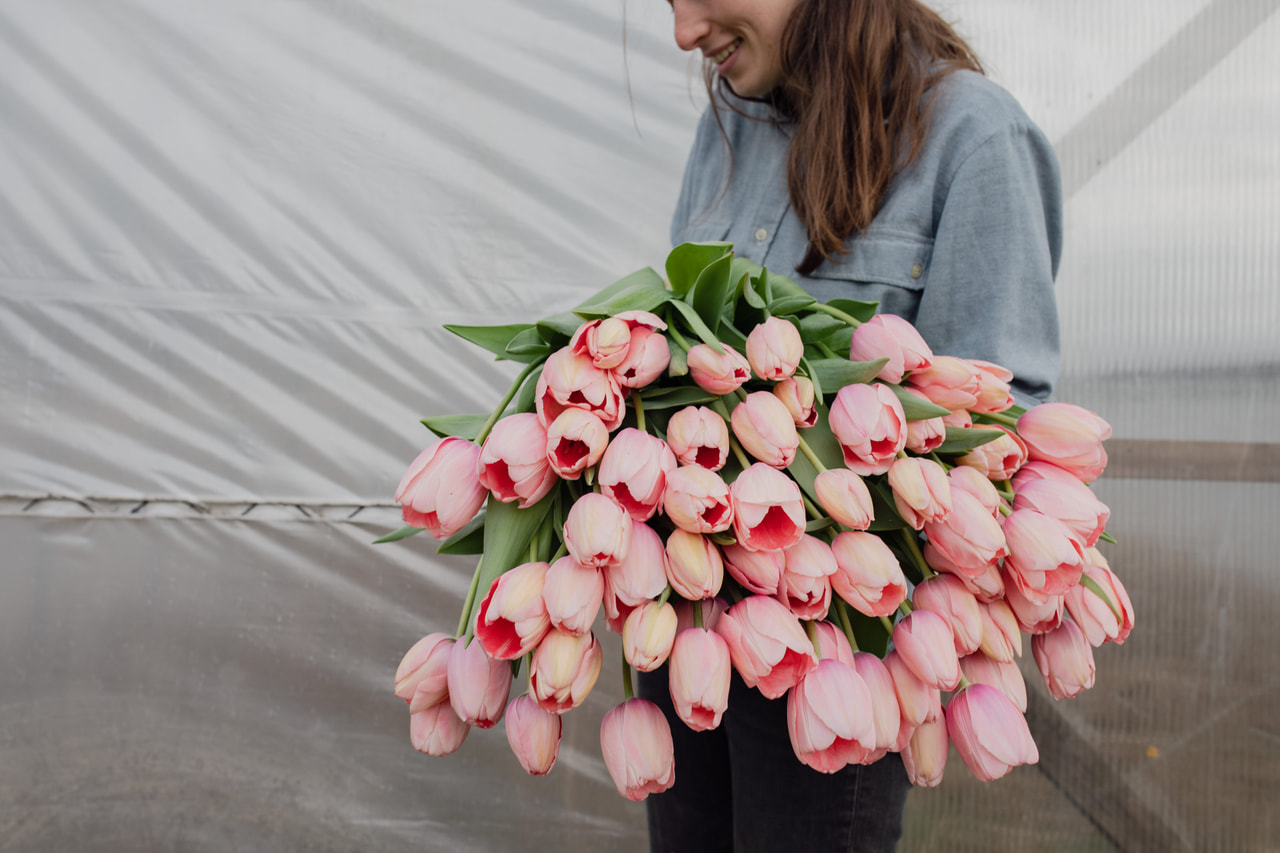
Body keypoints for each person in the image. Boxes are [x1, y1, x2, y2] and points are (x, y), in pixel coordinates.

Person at [638, 1, 1063, 851]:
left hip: (833, 671)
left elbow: (997, 442)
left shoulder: (974, 139)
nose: (684, 32)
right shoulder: (733, 124)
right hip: (683, 644)